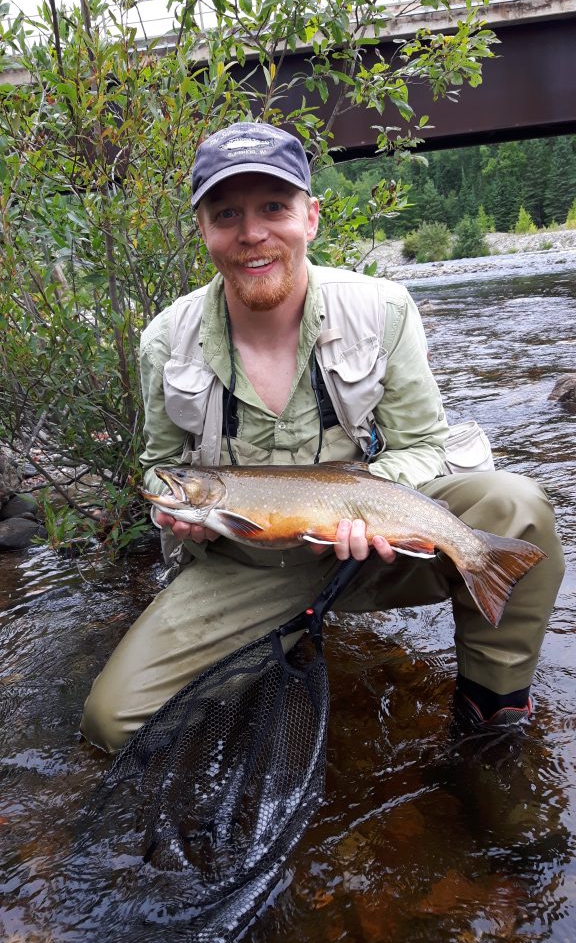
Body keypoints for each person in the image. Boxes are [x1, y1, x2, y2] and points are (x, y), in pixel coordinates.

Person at [80, 122, 565, 753]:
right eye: (226, 213)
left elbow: (424, 445)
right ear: (203, 231)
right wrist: (181, 516)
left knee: (515, 509)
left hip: (370, 550)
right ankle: (259, 658)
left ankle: (491, 716)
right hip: (246, 567)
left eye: (273, 207)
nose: (251, 233)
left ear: (310, 217)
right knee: (112, 723)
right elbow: (159, 467)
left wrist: (362, 501)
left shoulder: (381, 309)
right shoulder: (165, 341)